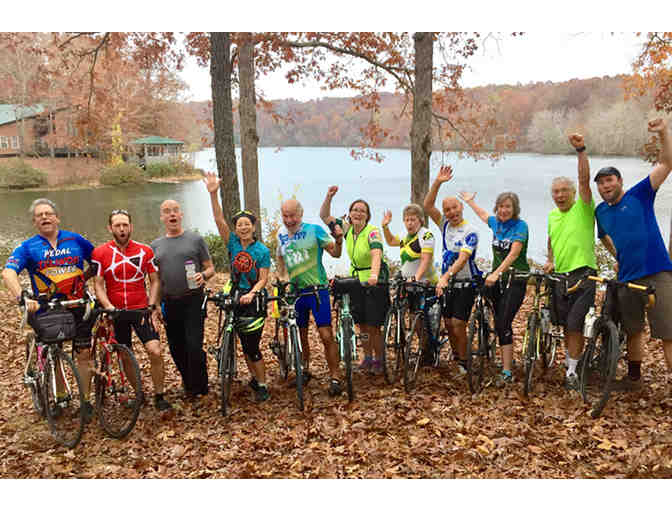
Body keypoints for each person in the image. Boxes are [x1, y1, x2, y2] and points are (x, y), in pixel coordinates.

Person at [594, 118, 672, 392]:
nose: (605, 186)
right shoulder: (600, 211)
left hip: (657, 272)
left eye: (609, 180)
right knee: (633, 330)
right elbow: (603, 236)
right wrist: (618, 256)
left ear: (619, 181)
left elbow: (666, 163)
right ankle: (634, 380)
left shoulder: (640, 195)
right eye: (600, 183)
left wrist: (663, 133)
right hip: (627, 278)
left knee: (668, 332)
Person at [2, 198, 97, 422]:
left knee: (84, 354)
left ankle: (85, 401)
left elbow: (98, 262)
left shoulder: (76, 239)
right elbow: (8, 273)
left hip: (78, 304)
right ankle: (61, 396)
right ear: (34, 222)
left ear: (57, 218)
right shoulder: (27, 247)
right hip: (48, 308)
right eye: (39, 215)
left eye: (48, 213)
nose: (44, 217)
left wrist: (84, 279)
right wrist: (22, 297)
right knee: (55, 353)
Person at [91, 209, 172, 411]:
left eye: (125, 225)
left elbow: (154, 281)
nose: (122, 229)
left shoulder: (145, 251)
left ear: (131, 227)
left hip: (141, 309)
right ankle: (139, 393)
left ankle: (159, 395)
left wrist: (151, 306)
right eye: (117, 225)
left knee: (155, 350)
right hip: (116, 312)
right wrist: (108, 307)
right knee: (126, 355)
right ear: (110, 228)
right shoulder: (100, 253)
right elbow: (98, 285)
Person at [204, 172, 271, 402]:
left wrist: (252, 293)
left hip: (254, 299)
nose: (243, 228)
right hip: (234, 295)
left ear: (253, 227)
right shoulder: (232, 242)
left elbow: (263, 279)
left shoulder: (262, 250)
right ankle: (251, 377)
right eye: (239, 225)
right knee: (241, 342)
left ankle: (262, 384)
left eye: (247, 224)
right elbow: (219, 220)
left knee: (252, 347)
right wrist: (213, 194)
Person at [543, 134, 598, 391]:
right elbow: (551, 239)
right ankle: (572, 363)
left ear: (574, 193)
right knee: (566, 325)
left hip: (584, 274)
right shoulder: (552, 215)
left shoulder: (583, 208)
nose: (560, 195)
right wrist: (550, 259)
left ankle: (573, 373)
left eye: (565, 191)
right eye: (556, 191)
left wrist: (581, 151)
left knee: (575, 323)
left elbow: (585, 179)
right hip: (560, 276)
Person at [460, 188, 530, 387]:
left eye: (508, 207)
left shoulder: (520, 226)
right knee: (486, 304)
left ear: (514, 209)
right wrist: (470, 202)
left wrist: (497, 272)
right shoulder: (495, 223)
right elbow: (483, 215)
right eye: (500, 206)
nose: (503, 210)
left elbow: (514, 254)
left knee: (503, 323)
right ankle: (486, 338)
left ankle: (507, 371)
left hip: (516, 278)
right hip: (496, 279)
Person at [275, 197, 344, 396]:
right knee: (301, 334)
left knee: (326, 335)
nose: (289, 220)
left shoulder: (315, 230)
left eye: (293, 216)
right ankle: (304, 370)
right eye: (285, 216)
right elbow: (280, 258)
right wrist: (281, 277)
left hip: (317, 290)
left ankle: (335, 376)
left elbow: (336, 254)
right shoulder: (280, 234)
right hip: (295, 292)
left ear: (301, 214)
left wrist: (339, 240)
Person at [320, 186, 390, 375]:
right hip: (356, 281)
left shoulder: (372, 231)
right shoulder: (348, 229)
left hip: (375, 281)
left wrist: (374, 275)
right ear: (349, 214)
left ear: (367, 216)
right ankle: (367, 357)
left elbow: (376, 254)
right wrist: (329, 197)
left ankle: (379, 359)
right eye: (355, 210)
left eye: (362, 211)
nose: (358, 213)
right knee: (362, 324)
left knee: (373, 325)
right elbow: (324, 216)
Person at [151, 199, 214, 400]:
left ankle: (201, 386)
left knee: (194, 345)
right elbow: (156, 280)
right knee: (176, 348)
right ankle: (189, 383)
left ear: (181, 215)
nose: (172, 214)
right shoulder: (155, 246)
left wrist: (203, 275)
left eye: (175, 210)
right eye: (167, 211)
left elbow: (210, 268)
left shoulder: (195, 239)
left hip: (193, 299)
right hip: (170, 302)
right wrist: (156, 305)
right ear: (162, 217)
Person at [424, 166, 481, 372]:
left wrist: (446, 276)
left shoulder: (470, 231)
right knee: (448, 323)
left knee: (458, 324)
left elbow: (463, 259)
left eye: (454, 208)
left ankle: (464, 363)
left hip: (466, 283)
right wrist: (438, 182)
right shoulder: (445, 225)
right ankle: (457, 357)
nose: (451, 212)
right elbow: (427, 205)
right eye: (447, 210)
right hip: (447, 284)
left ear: (461, 207)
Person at [381, 204, 439, 285]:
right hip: (408, 283)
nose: (409, 223)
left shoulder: (426, 235)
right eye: (407, 220)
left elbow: (425, 260)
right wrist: (385, 227)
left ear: (420, 220)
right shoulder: (403, 234)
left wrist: (415, 278)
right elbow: (391, 241)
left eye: (413, 220)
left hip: (426, 283)